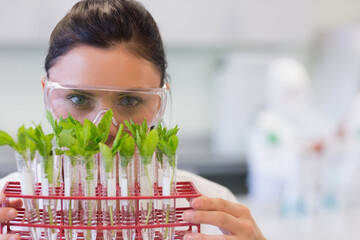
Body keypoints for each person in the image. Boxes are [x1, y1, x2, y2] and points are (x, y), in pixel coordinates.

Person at [0, 1, 266, 239]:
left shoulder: (212, 212)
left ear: (160, 102)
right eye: (79, 99)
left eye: (129, 101)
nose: (103, 130)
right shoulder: (8, 207)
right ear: (47, 95)